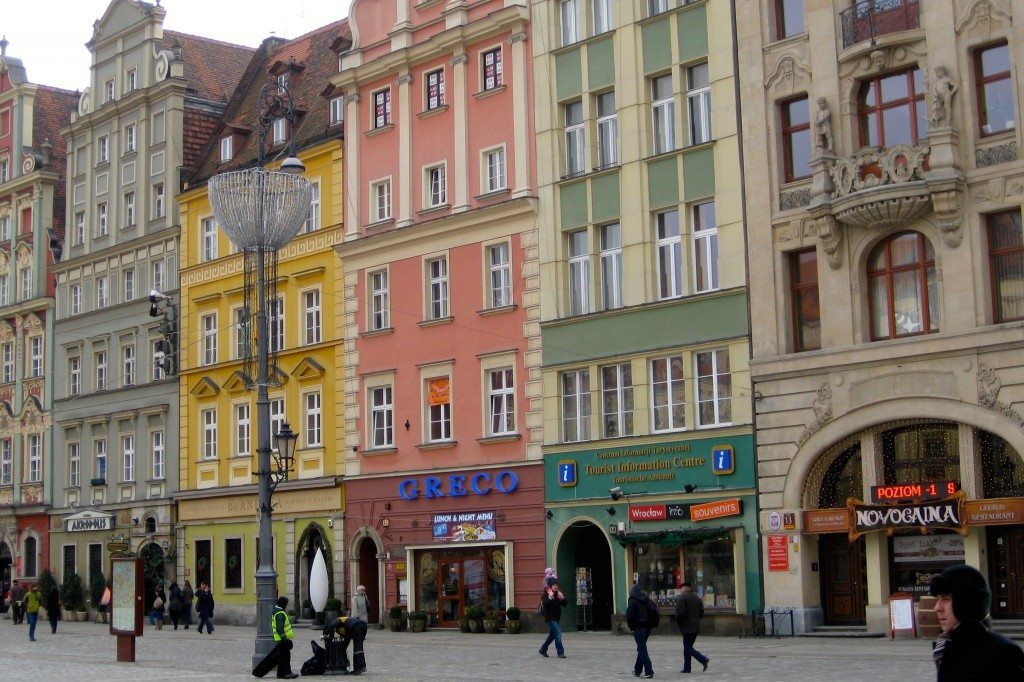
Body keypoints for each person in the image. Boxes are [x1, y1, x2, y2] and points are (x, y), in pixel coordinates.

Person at [929, 564, 1024, 680]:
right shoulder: (946, 647)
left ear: (967, 602)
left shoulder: (1002, 652)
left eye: (946, 598)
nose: (937, 608)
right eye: (937, 599)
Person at [675, 582, 709, 673]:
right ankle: (687, 668)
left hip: (687, 627)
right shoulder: (697, 598)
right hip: (695, 627)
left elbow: (680, 613)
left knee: (688, 647)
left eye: (681, 588)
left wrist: (679, 623)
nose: (680, 590)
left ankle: (703, 659)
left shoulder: (682, 598)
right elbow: (702, 613)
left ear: (685, 588)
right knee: (688, 647)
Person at [323, 611, 369, 675]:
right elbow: (345, 642)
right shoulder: (344, 627)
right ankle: (359, 667)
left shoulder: (338, 620)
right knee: (358, 646)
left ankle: (359, 667)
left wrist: (328, 637)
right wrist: (342, 653)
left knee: (357, 647)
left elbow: (331, 626)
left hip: (356, 626)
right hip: (363, 626)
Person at [626, 584, 656, 679]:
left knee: (642, 649)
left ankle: (649, 671)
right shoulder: (646, 599)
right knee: (641, 648)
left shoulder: (632, 600)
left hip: (638, 627)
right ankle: (638, 670)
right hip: (647, 627)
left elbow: (629, 615)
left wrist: (631, 627)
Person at [539, 578, 567, 659]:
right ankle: (560, 652)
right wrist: (550, 597)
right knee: (558, 633)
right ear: (550, 586)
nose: (555, 586)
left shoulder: (557, 594)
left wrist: (563, 598)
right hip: (550, 618)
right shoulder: (546, 594)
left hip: (557, 617)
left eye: (556, 585)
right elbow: (545, 603)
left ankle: (543, 649)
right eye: (554, 585)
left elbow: (565, 604)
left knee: (552, 635)